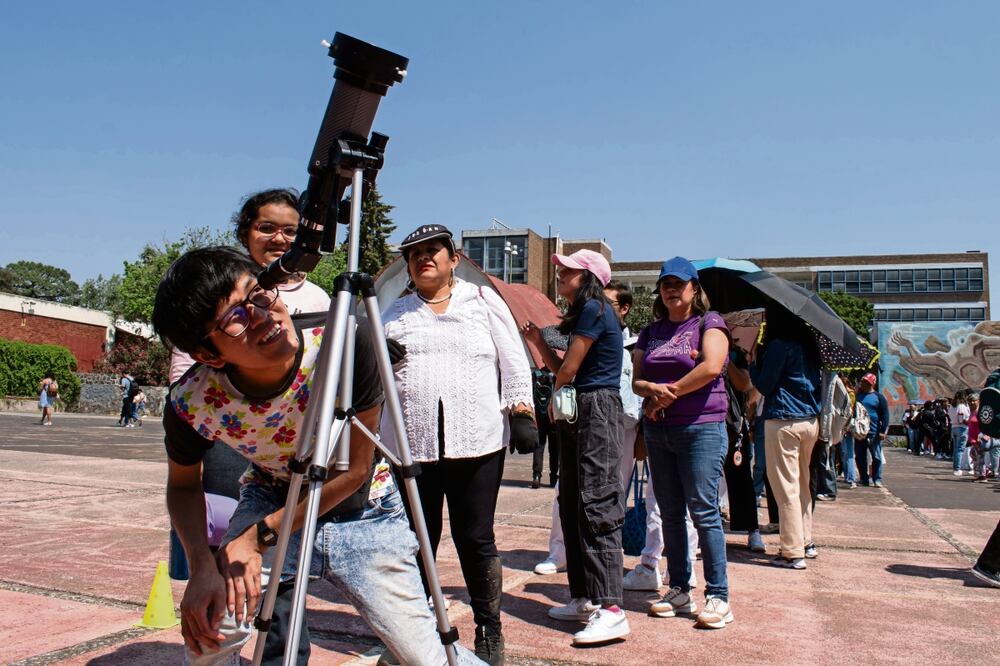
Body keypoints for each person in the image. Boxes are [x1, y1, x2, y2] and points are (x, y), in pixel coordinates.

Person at [152, 246, 482, 666]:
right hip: (273, 497)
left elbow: (357, 470)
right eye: (235, 319)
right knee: (209, 633)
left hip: (364, 509)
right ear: (208, 355)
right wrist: (202, 565)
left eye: (258, 294)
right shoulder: (193, 402)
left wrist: (255, 538)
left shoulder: (346, 343)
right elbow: (182, 484)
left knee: (426, 658)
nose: (263, 316)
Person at [381, 224, 535, 665]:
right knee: (417, 540)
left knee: (476, 538)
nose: (424, 258)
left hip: (477, 441)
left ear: (454, 258)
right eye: (415, 254)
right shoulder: (395, 312)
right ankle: (420, 628)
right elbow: (369, 369)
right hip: (412, 446)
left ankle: (489, 629)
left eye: (433, 251)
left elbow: (513, 359)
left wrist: (521, 412)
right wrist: (375, 354)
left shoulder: (482, 303)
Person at [521, 249, 629, 645]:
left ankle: (612, 608)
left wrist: (556, 394)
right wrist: (538, 342)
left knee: (596, 501)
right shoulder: (587, 314)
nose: (560, 276)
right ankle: (585, 596)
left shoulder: (596, 309)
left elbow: (570, 368)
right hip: (582, 407)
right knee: (572, 501)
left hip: (596, 406)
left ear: (588, 278)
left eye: (567, 272)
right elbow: (559, 366)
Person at [630, 256, 734, 629]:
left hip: (701, 428)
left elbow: (710, 367)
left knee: (704, 512)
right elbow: (637, 381)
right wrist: (650, 392)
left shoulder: (710, 322)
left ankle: (719, 596)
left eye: (680, 283)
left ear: (694, 289)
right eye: (666, 284)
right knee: (670, 512)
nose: (672, 289)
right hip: (660, 431)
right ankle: (678, 588)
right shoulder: (650, 331)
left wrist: (665, 394)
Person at [169, 189, 332, 384]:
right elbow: (185, 373)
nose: (279, 239)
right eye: (267, 228)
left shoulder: (318, 297)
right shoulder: (212, 287)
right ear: (245, 234)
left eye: (291, 232)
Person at [750, 303, 822, 569]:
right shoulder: (809, 345)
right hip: (809, 421)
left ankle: (792, 551)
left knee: (785, 488)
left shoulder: (779, 345)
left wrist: (753, 363)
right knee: (802, 484)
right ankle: (806, 541)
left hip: (783, 420)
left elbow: (765, 384)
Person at [854, 374, 890, 487]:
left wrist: (883, 430)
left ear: (873, 384)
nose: (864, 384)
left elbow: (885, 415)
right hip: (859, 432)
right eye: (863, 381)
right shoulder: (857, 396)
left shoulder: (879, 397)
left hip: (874, 432)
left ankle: (877, 479)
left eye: (867, 383)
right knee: (860, 456)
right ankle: (864, 478)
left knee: (876, 457)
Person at [531, 368, 559, 489]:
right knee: (554, 449)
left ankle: (536, 476)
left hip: (539, 414)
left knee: (539, 446)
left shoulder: (536, 375)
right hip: (553, 416)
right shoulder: (556, 374)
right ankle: (553, 478)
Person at [949, 393, 972, 476]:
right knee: (960, 449)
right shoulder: (962, 406)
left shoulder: (952, 406)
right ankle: (957, 468)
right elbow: (961, 419)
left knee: (955, 449)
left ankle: (955, 467)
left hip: (953, 427)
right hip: (961, 427)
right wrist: (968, 423)